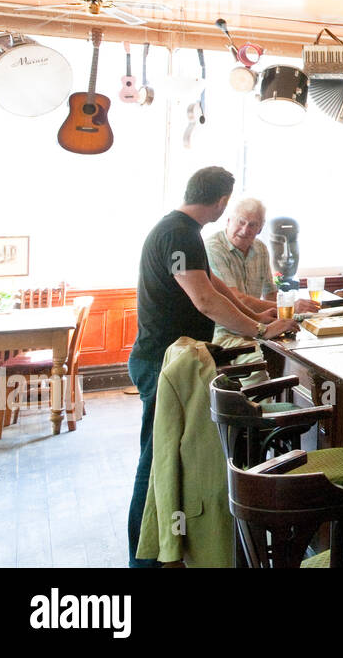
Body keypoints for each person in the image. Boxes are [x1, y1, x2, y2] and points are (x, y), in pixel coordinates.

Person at [127, 167, 297, 568]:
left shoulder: (185, 233)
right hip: (162, 362)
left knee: (170, 457)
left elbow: (222, 291)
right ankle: (144, 557)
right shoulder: (179, 234)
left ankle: (173, 549)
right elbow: (205, 301)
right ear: (223, 203)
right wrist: (262, 329)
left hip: (177, 360)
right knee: (157, 461)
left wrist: (266, 317)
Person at [205, 198, 318, 346]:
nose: (245, 230)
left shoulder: (260, 248)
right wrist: (290, 308)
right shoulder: (213, 248)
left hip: (258, 326)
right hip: (225, 332)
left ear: (260, 229)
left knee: (300, 345)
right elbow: (238, 298)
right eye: (241, 222)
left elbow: (271, 294)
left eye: (252, 225)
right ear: (228, 221)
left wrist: (284, 317)